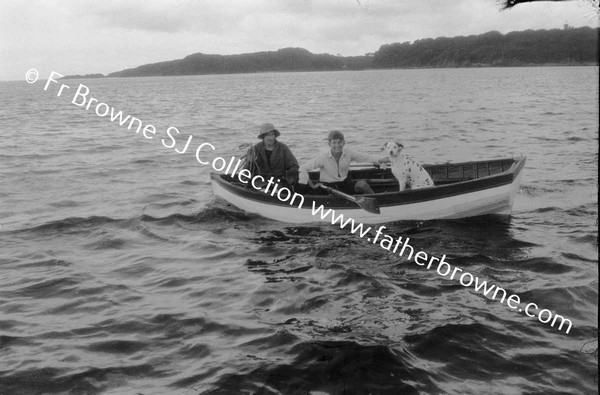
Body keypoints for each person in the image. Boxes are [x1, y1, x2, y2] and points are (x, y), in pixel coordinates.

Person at [298, 130, 387, 195]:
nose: (337, 145)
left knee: (362, 184)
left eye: (340, 142)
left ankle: (377, 199)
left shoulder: (348, 153)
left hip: (345, 184)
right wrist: (312, 185)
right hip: (329, 187)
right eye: (334, 143)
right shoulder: (323, 158)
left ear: (344, 143)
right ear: (329, 144)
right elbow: (303, 168)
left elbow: (367, 157)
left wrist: (386, 159)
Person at [245, 123, 299, 188]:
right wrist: (250, 161)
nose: (270, 138)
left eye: (272, 134)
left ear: (275, 136)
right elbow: (246, 172)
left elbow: (294, 166)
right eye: (267, 135)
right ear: (263, 137)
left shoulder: (283, 148)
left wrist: (289, 180)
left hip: (279, 182)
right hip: (260, 182)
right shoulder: (255, 149)